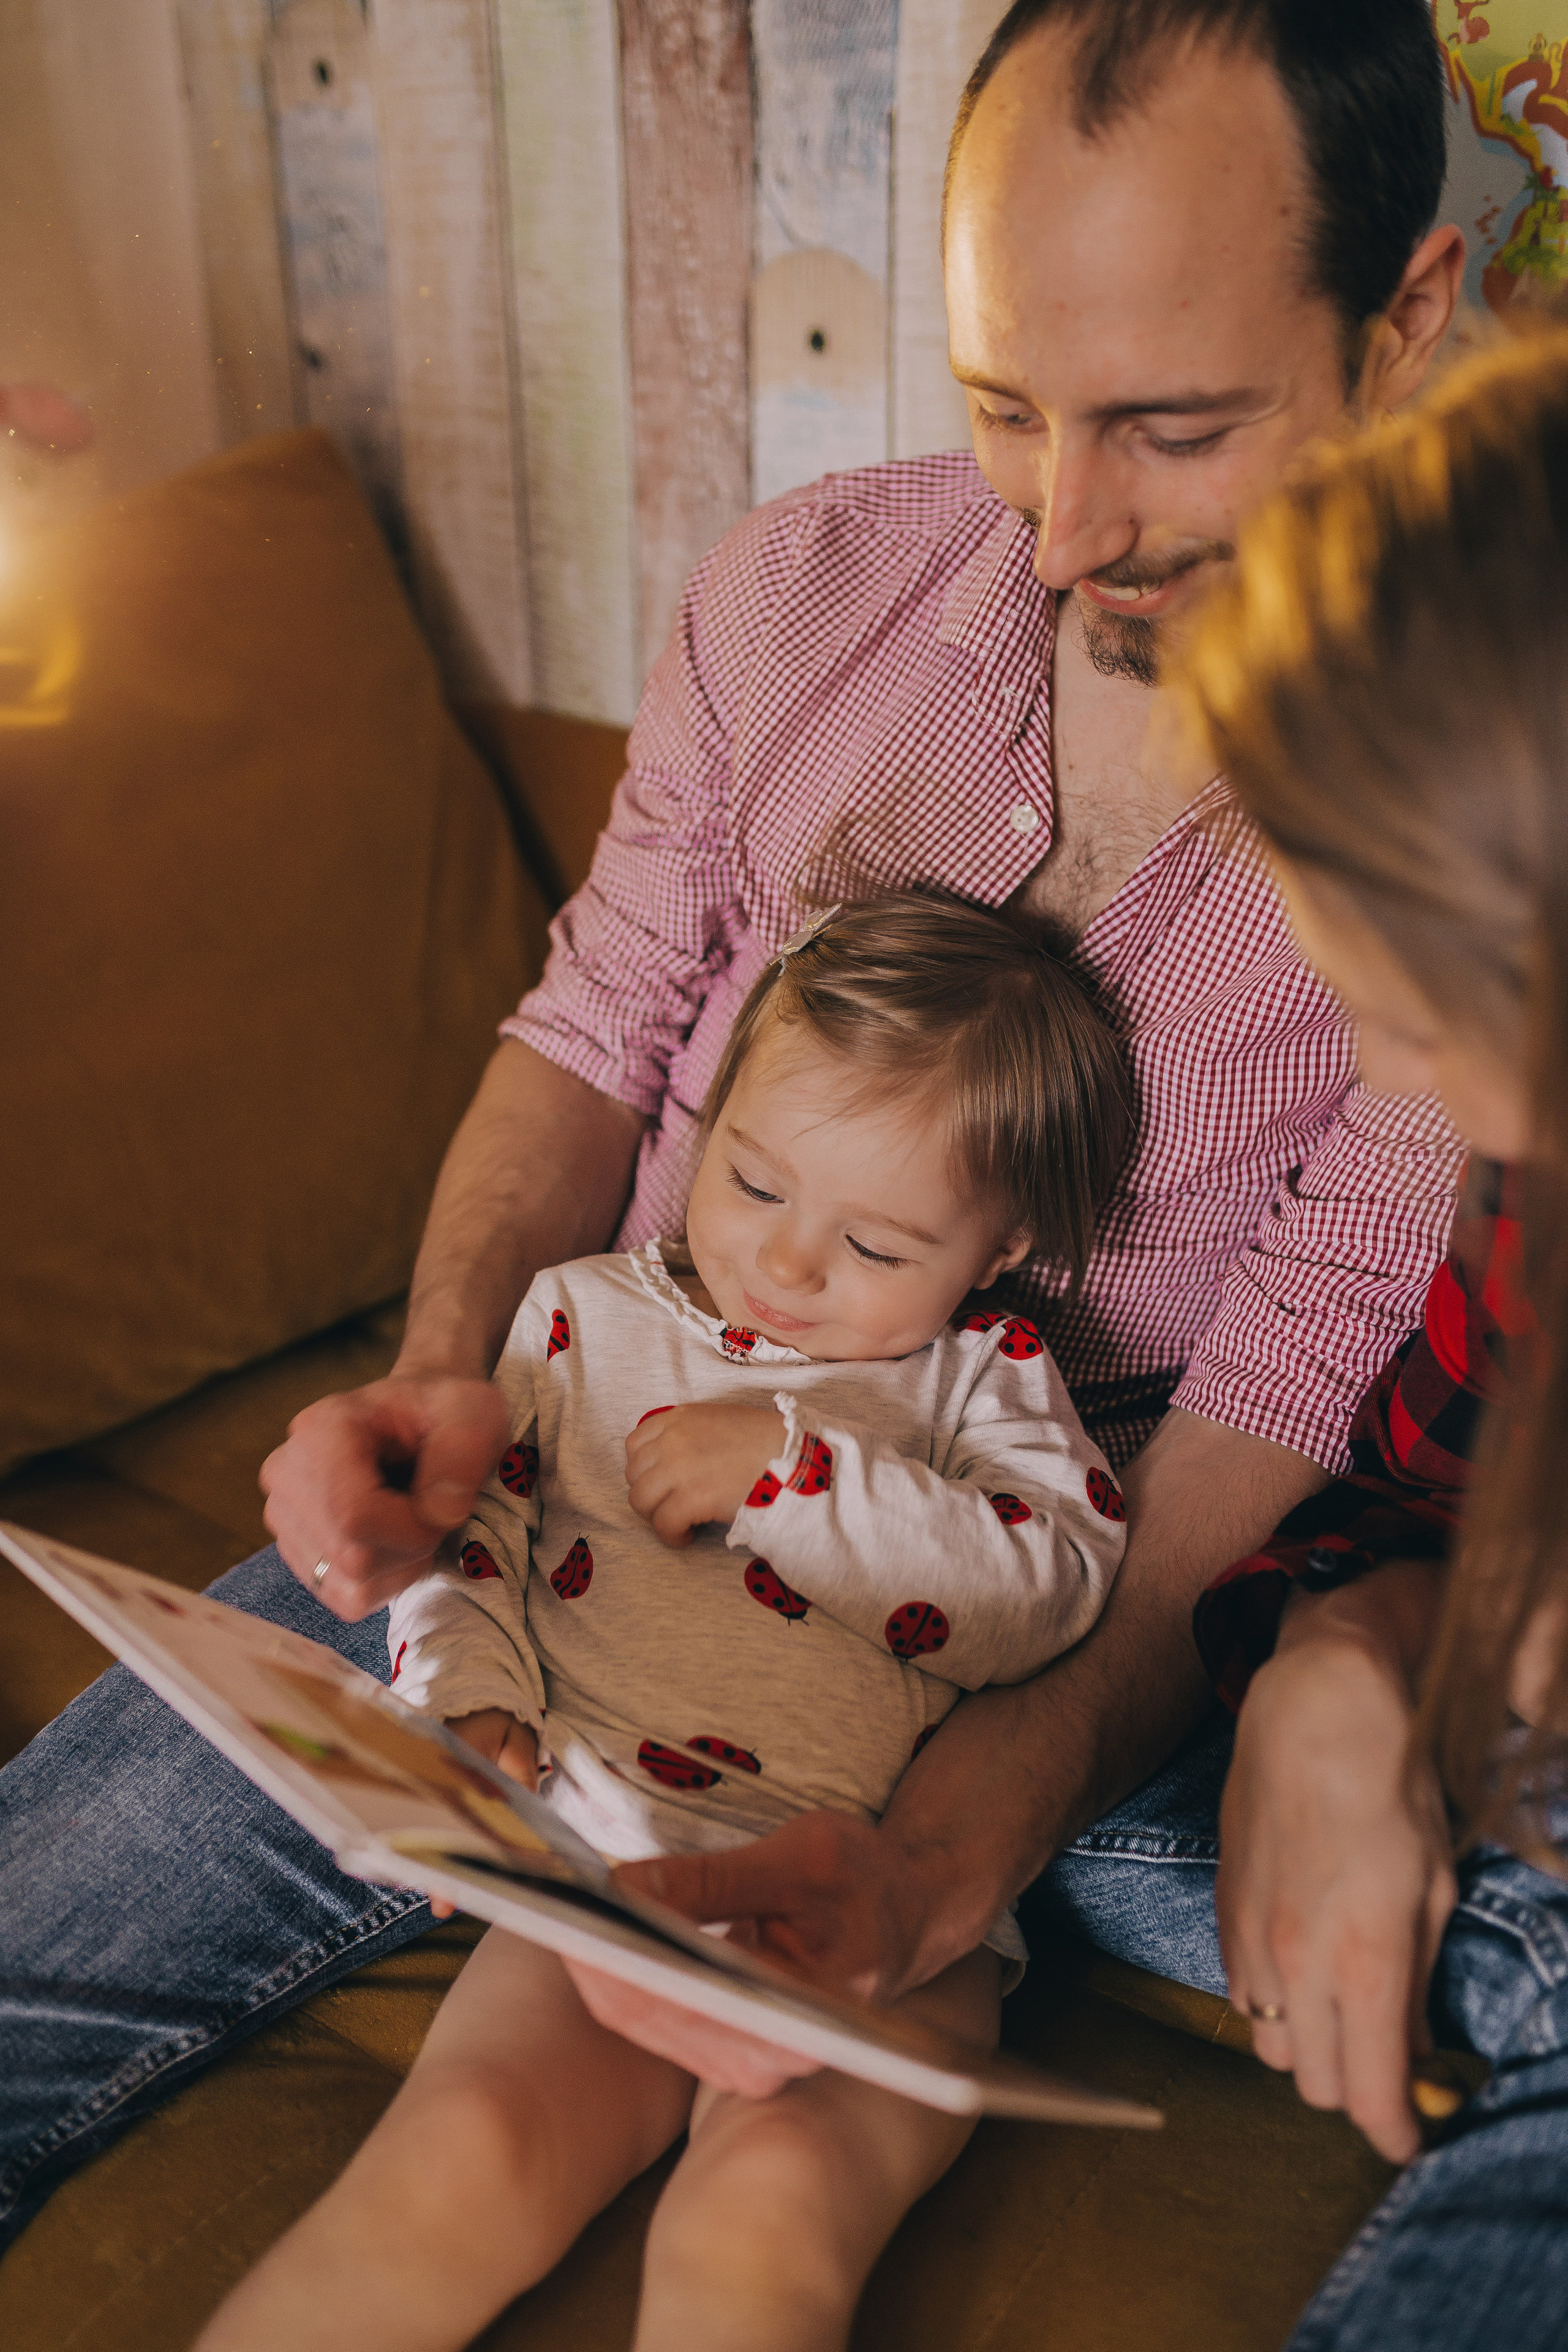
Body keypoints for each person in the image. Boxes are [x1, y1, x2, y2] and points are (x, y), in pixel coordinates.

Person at [0, 0, 1464, 2254]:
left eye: (1169, 429)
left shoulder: (1453, 829)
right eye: (1005, 412)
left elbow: (1239, 1448)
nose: (1067, 530)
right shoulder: (800, 598)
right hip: (579, 1507)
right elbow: (590, 1028)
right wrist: (447, 1376)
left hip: (1049, 1629)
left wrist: (958, 1851)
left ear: (1405, 327)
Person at [194, 894, 1130, 2352]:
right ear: (713, 1113)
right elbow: (477, 1540)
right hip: (612, 1864)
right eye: (751, 1181)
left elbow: (1038, 1596)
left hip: (879, 1911)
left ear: (998, 1245)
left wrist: (791, 1475)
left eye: (876, 1248)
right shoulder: (580, 1320)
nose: (787, 1265)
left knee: (765, 2213)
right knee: (462, 2155)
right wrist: (464, 1706)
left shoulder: (981, 1384)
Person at [1148, 322, 1568, 2344]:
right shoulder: (1528, 1193)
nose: (1379, 1067)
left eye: (1403, 1007)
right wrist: (1341, 1659)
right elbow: (1403, 1494)